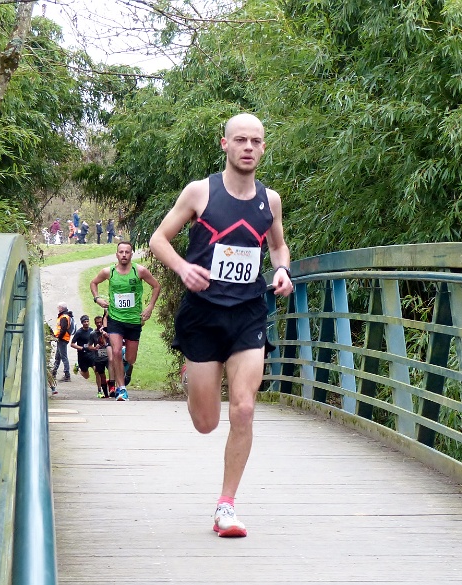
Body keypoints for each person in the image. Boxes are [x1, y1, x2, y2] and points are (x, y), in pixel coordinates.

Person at [148, 113, 293, 538]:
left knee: (244, 408)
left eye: (256, 141)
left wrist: (282, 271)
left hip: (248, 312)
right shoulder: (201, 192)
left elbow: (278, 246)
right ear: (224, 144)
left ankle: (226, 506)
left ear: (263, 147)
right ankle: (195, 377)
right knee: (206, 422)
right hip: (203, 315)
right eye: (240, 140)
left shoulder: (271, 200)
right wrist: (182, 268)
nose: (248, 147)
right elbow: (159, 239)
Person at [90, 241, 161, 401]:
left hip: (134, 320)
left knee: (131, 358)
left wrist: (150, 307)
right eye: (121, 252)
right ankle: (121, 389)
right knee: (115, 352)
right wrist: (97, 298)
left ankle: (124, 362)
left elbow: (156, 286)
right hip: (115, 318)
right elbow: (93, 283)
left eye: (127, 252)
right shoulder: (109, 272)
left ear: (131, 254)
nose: (124, 255)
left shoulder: (139, 271)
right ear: (116, 254)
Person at [70, 315, 97, 383]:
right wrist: (82, 348)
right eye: (84, 322)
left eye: (87, 321)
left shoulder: (91, 330)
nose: (86, 323)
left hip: (91, 354)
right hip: (82, 356)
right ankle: (78, 368)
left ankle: (100, 388)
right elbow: (72, 344)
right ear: (82, 323)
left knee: (97, 371)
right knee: (86, 376)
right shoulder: (79, 332)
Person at [52, 303, 74, 382]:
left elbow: (63, 329)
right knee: (58, 356)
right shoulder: (65, 316)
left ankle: (67, 375)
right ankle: (53, 372)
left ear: (61, 308)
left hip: (62, 339)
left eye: (58, 307)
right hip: (62, 339)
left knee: (63, 357)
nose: (58, 309)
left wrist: (58, 337)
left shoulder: (64, 317)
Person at [92, 315, 111, 398]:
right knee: (102, 376)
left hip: (108, 357)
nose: (99, 324)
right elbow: (89, 346)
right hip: (99, 358)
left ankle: (113, 390)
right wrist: (94, 348)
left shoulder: (108, 331)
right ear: (95, 323)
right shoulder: (93, 334)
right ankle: (106, 394)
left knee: (112, 373)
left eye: (100, 322)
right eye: (97, 323)